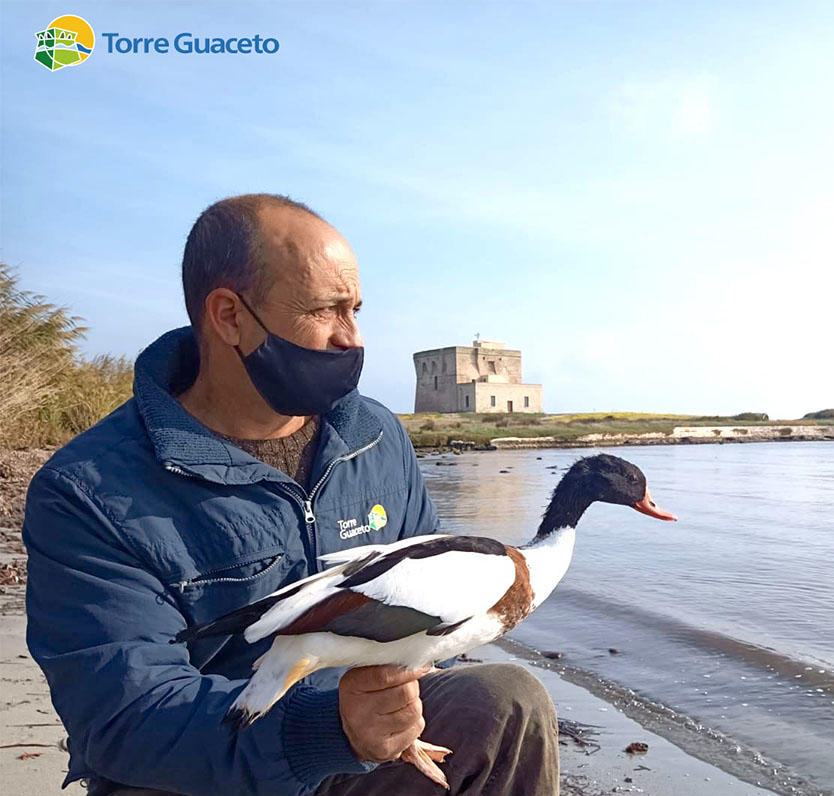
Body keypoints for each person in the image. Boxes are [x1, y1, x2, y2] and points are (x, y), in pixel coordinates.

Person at [23, 194, 559, 796]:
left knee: (506, 701)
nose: (351, 339)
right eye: (326, 310)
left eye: (355, 309)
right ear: (229, 316)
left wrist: (385, 716)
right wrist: (326, 730)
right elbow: (122, 716)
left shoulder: (377, 439)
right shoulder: (89, 490)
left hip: (364, 745)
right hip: (197, 771)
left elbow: (431, 617)